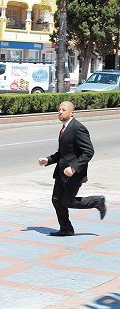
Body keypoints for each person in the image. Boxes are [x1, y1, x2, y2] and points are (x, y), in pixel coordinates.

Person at [38, 101, 106, 236]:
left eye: (63, 110)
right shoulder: (64, 129)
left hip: (73, 175)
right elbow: (63, 153)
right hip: (61, 173)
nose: (60, 112)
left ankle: (97, 201)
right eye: (59, 110)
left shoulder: (78, 128)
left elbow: (88, 151)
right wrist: (48, 160)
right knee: (56, 200)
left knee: (68, 201)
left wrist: (74, 168)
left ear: (72, 113)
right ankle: (66, 229)